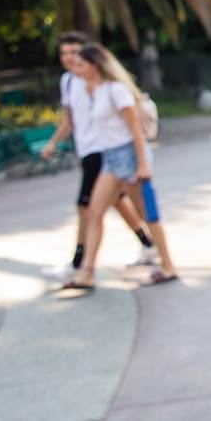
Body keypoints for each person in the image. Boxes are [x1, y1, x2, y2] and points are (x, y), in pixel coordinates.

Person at [39, 32, 157, 283]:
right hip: (89, 151)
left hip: (102, 151)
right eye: (64, 53)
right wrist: (53, 142)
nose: (69, 58)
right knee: (116, 203)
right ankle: (149, 244)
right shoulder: (69, 82)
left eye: (74, 53)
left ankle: (81, 265)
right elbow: (70, 119)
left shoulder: (101, 84)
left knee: (87, 208)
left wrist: (142, 161)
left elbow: (131, 123)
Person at [63, 43, 179, 290]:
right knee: (94, 212)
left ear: (94, 65)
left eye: (81, 64)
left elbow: (136, 130)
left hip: (129, 156)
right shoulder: (94, 90)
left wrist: (143, 165)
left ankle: (168, 265)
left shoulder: (116, 90)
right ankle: (87, 272)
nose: (77, 69)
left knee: (147, 214)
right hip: (110, 158)